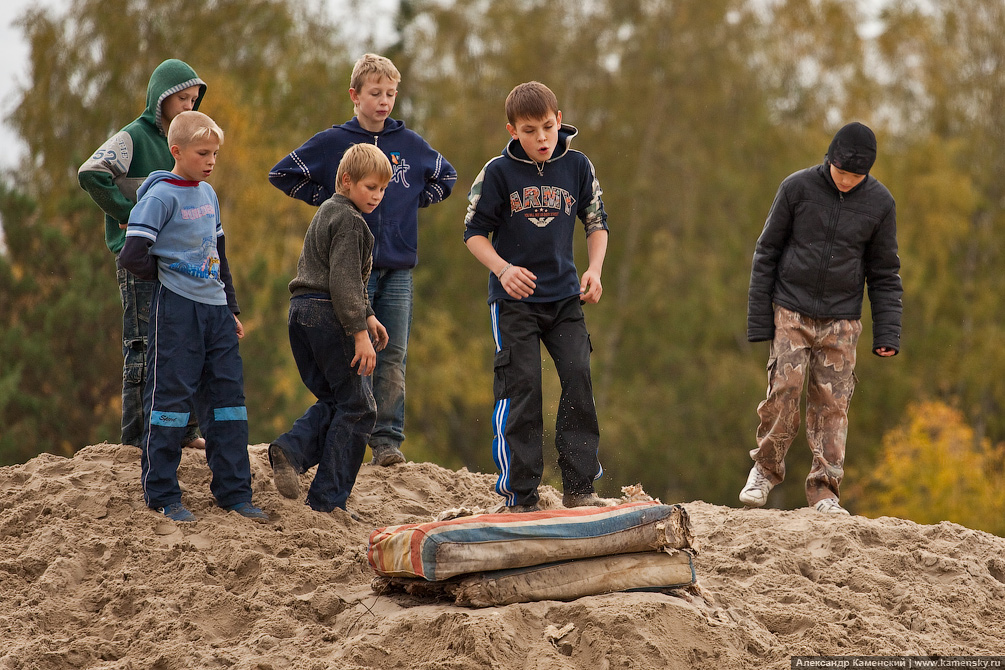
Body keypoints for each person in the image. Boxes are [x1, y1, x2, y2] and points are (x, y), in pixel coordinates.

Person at [268, 53, 456, 467]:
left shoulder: (410, 144)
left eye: (390, 93)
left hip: (399, 266)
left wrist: (410, 202)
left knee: (394, 353)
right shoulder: (334, 142)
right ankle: (350, 432)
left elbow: (447, 176)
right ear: (355, 95)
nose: (384, 101)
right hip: (351, 271)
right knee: (356, 351)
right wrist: (330, 202)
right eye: (375, 93)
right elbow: (282, 173)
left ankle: (387, 442)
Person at [462, 81, 611, 513]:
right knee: (522, 387)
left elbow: (596, 222)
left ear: (559, 120)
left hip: (566, 299)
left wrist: (595, 271)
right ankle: (520, 495)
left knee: (579, 377)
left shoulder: (579, 166)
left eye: (547, 126)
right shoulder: (497, 173)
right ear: (512, 130)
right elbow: (473, 233)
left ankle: (580, 487)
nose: (541, 138)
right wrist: (503, 269)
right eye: (530, 130)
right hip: (514, 302)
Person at [741, 121, 903, 516]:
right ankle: (764, 469)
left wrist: (888, 332)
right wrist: (761, 321)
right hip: (791, 310)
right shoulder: (796, 189)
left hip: (843, 321)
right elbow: (767, 252)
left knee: (833, 406)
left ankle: (825, 489)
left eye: (856, 176)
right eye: (842, 172)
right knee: (784, 389)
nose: (847, 181)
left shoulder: (881, 204)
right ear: (829, 160)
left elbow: (884, 274)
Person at [119, 110, 268, 523]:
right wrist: (167, 275)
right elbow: (132, 255)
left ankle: (235, 493)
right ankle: (163, 495)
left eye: (215, 153)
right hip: (177, 311)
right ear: (177, 151)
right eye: (203, 153)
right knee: (170, 402)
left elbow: (219, 255)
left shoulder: (209, 195)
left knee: (229, 403)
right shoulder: (160, 195)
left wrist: (231, 307)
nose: (211, 161)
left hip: (215, 310)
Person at [78, 58, 207, 451]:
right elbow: (91, 172)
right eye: (182, 98)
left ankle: (186, 431)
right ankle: (134, 437)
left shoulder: (186, 141)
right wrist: (128, 214)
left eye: (193, 99)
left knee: (186, 342)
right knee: (143, 344)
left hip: (179, 261)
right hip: (139, 260)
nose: (188, 105)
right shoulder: (133, 137)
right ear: (161, 98)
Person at [268, 143, 392, 515]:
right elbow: (341, 282)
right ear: (346, 180)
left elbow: (333, 273)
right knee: (359, 408)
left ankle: (290, 450)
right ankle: (327, 501)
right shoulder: (352, 222)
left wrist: (368, 315)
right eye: (370, 187)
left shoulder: (328, 211)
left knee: (338, 402)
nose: (377, 195)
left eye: (383, 189)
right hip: (328, 316)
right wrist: (358, 333)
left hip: (301, 313)